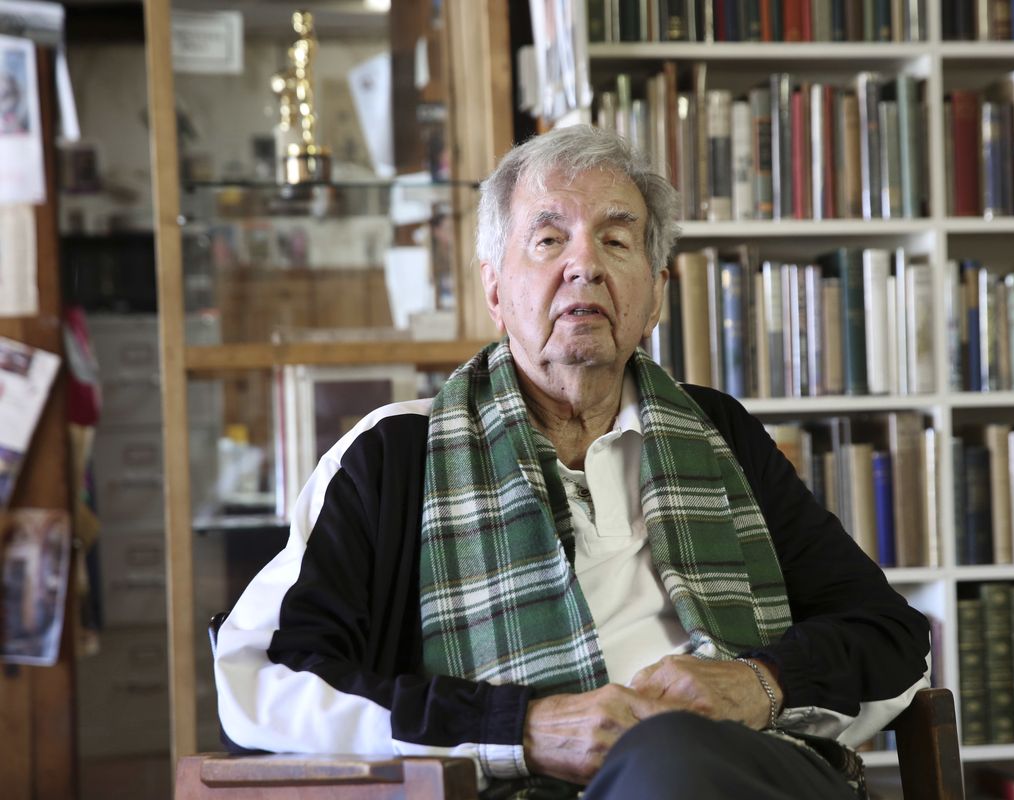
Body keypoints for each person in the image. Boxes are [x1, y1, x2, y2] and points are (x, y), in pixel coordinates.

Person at [214, 125, 931, 799]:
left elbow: (891, 639)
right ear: (494, 287)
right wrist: (517, 729)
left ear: (655, 294)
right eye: (549, 239)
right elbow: (262, 683)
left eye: (616, 241)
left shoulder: (721, 435)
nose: (583, 264)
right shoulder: (393, 456)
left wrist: (761, 683)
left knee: (673, 757)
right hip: (510, 782)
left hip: (739, 770)